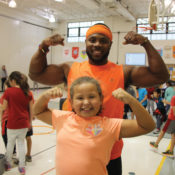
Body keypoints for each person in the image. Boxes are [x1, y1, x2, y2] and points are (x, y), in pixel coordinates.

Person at [29, 23, 169, 175]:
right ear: (86, 42)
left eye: (103, 41)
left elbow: (160, 76)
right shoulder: (70, 69)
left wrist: (145, 43)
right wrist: (44, 46)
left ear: (110, 44)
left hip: (110, 153)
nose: (97, 44)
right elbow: (36, 74)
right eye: (93, 40)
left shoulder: (122, 71)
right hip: (73, 149)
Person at [33, 76, 155, 175]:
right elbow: (38, 112)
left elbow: (147, 126)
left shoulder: (109, 125)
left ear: (101, 99)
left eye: (91, 97)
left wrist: (132, 101)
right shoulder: (63, 119)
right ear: (71, 102)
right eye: (80, 98)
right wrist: (45, 96)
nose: (86, 102)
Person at [1, 71, 33, 175]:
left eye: (10, 81)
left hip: (12, 124)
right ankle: (22, 168)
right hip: (24, 123)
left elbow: (4, 107)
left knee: (10, 144)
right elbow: (31, 109)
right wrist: (30, 123)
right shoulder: (27, 92)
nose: (9, 83)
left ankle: (8, 164)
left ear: (13, 81)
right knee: (21, 145)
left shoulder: (8, 91)